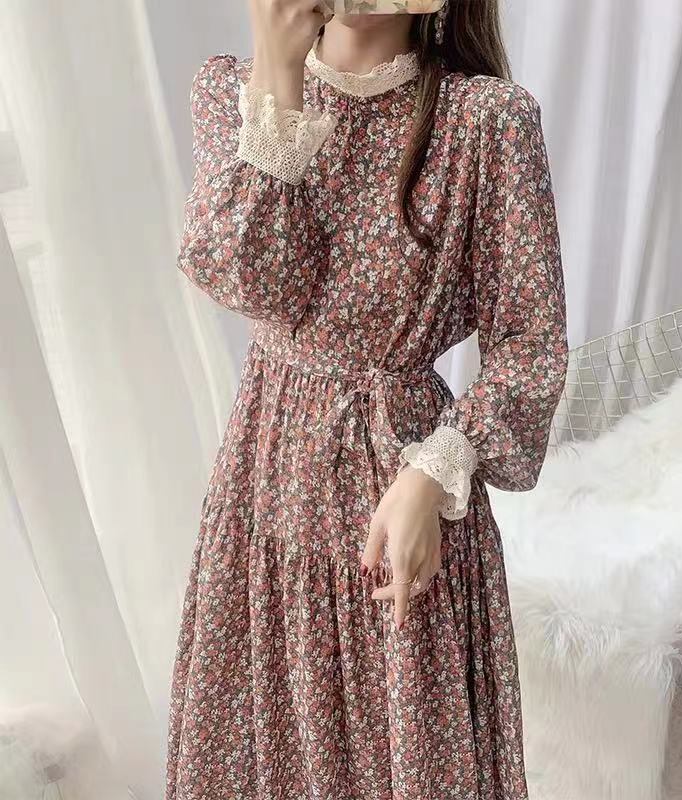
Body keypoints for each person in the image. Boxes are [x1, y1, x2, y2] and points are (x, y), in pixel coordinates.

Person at [165, 1, 568, 797]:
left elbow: (530, 343)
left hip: (404, 495)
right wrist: (277, 75)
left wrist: (434, 473)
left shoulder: (485, 122)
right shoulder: (232, 92)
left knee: (413, 758)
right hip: (268, 492)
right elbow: (250, 284)